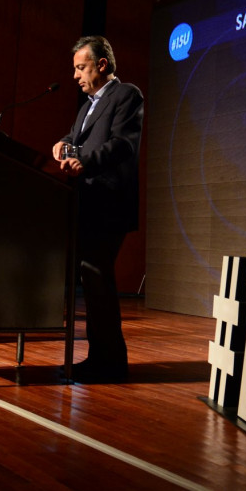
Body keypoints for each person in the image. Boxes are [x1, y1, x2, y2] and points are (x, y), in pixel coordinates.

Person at [52, 36, 144, 382]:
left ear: (101, 65)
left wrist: (83, 162)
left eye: (81, 67)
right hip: (87, 204)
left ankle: (111, 362)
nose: (76, 75)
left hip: (109, 202)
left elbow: (122, 145)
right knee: (92, 281)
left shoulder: (127, 95)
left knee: (98, 278)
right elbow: (78, 137)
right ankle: (100, 358)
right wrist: (64, 143)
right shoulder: (87, 105)